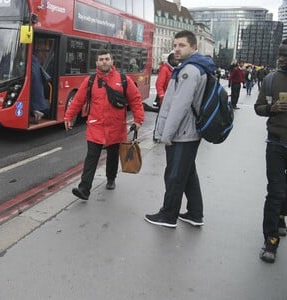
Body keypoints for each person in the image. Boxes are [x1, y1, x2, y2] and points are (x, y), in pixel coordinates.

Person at [145, 30, 213, 228]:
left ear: (193, 47)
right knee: (188, 173)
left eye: (182, 45)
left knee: (174, 175)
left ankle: (168, 215)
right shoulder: (197, 67)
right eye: (175, 45)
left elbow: (179, 106)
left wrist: (166, 135)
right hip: (189, 131)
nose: (176, 49)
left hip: (182, 133)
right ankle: (195, 213)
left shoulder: (189, 71)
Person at [64, 49, 144, 200]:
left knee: (113, 156)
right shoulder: (90, 81)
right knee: (91, 158)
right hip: (96, 127)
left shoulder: (123, 79)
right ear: (97, 63)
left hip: (116, 127)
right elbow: (78, 100)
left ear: (112, 61)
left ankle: (111, 178)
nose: (104, 62)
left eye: (107, 59)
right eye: (101, 59)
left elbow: (135, 100)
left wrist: (138, 120)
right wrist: (68, 116)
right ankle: (84, 189)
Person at [253, 43, 287, 263]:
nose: (282, 59)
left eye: (286, 55)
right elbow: (258, 107)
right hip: (276, 143)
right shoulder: (271, 80)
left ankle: (281, 218)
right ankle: (271, 240)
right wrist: (270, 109)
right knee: (275, 191)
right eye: (280, 55)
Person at [30, 44, 51, 123]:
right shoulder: (35, 62)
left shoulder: (33, 62)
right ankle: (36, 112)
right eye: (44, 54)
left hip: (36, 96)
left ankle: (36, 113)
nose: (45, 57)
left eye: (46, 54)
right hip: (38, 98)